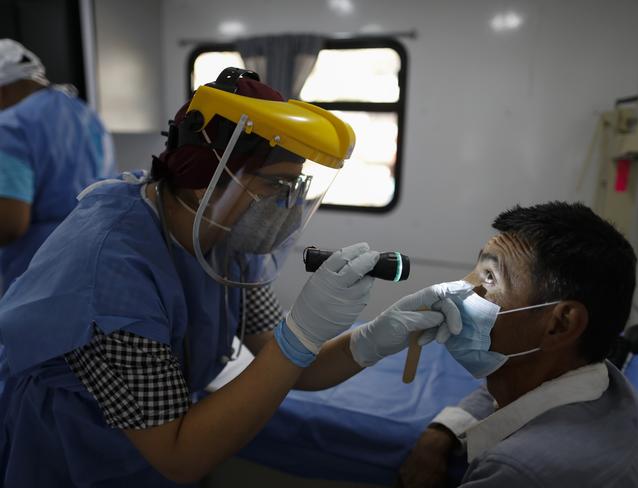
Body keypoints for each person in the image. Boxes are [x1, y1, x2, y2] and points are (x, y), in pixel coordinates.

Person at [0, 68, 463, 487]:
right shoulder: (113, 275)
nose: (286, 207)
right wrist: (297, 339)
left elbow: (301, 367)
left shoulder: (222, 241)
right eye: (275, 186)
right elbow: (179, 456)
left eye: (296, 189)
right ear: (207, 175)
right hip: (75, 452)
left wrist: (379, 335)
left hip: (157, 444)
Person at [399, 201, 638, 487]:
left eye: (490, 279)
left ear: (560, 324)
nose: (462, 290)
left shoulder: (519, 473)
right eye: (476, 272)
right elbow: (501, 391)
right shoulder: (604, 381)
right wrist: (442, 432)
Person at [0, 39, 116, 293]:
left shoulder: (10, 127)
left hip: (35, 273)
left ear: (3, 91)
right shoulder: (86, 114)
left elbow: (10, 224)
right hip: (96, 261)